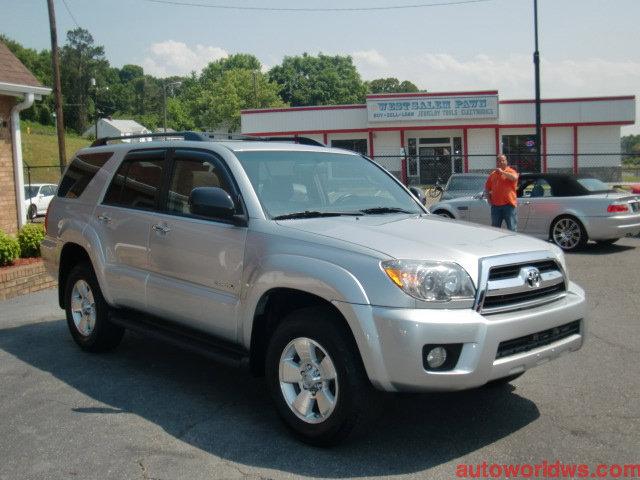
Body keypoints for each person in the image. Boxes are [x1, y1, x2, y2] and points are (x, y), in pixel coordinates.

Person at [484, 154, 519, 231]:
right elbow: (487, 187)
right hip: (496, 207)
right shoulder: (493, 174)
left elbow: (514, 178)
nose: (501, 162)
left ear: (506, 161)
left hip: (509, 206)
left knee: (512, 229)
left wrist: (502, 172)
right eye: (499, 161)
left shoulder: (511, 171)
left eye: (503, 160)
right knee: (495, 230)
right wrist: (489, 200)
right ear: (497, 163)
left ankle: (512, 242)